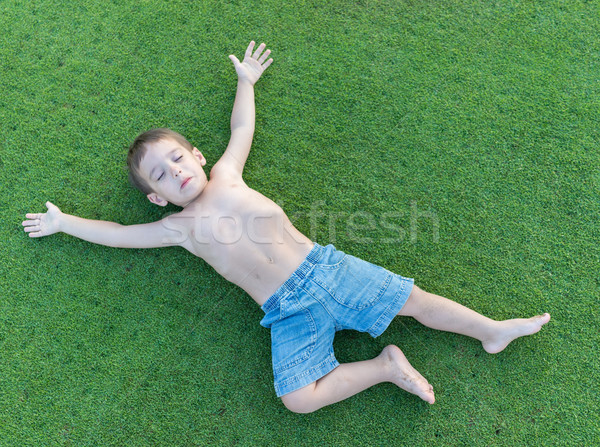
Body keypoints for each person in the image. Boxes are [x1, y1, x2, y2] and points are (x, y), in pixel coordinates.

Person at [22, 41, 550, 414]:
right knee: (298, 398)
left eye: (179, 158)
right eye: (162, 174)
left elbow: (241, 127)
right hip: (286, 309)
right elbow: (117, 232)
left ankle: (491, 328)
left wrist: (245, 81)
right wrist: (65, 222)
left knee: (416, 301)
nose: (177, 171)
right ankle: (386, 367)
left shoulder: (227, 174)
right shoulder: (177, 228)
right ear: (157, 196)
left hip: (326, 269)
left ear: (198, 156)